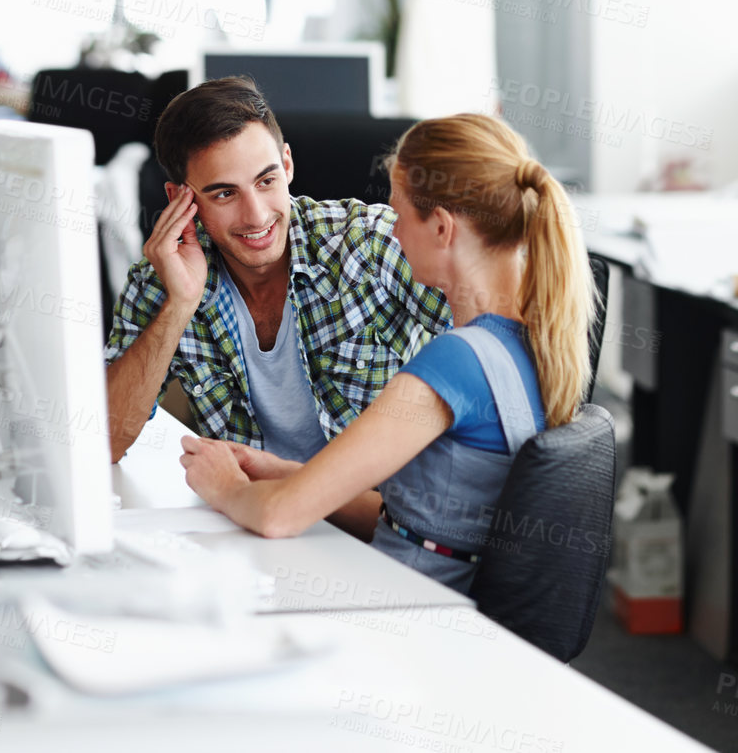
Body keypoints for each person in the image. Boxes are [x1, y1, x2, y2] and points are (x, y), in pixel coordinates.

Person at [178, 112, 596, 594]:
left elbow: (278, 518)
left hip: (403, 612)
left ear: (441, 228)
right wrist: (293, 476)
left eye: (398, 215)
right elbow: (422, 521)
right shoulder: (526, 346)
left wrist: (224, 487)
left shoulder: (454, 364)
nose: (391, 233)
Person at [105, 76, 451, 464]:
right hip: (250, 515)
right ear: (179, 199)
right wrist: (179, 305)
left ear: (287, 164)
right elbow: (105, 442)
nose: (256, 216)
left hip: (376, 515)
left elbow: (494, 354)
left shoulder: (371, 243)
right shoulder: (160, 281)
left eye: (266, 180)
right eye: (225, 193)